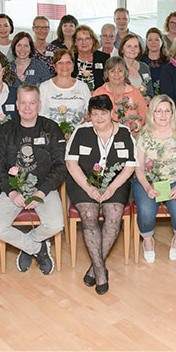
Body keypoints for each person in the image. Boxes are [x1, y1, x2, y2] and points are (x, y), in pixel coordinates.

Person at [0, 84, 66, 275]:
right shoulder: (5, 130)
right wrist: (11, 190)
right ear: (17, 104)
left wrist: (41, 192)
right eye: (23, 102)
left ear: (39, 104)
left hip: (44, 188)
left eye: (32, 103)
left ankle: (29, 244)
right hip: (13, 189)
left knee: (56, 224)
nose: (27, 107)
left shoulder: (51, 128)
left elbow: (60, 166)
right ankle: (37, 249)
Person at [65, 95, 137, 294]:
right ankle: (101, 271)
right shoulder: (81, 132)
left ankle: (93, 269)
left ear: (111, 113)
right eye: (94, 114)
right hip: (83, 182)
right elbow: (71, 164)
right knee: (89, 216)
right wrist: (89, 189)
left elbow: (130, 166)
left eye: (103, 113)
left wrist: (112, 188)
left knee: (113, 216)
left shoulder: (124, 133)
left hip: (116, 183)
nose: (98, 118)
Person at [132, 95, 176, 263]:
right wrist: (147, 187)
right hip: (148, 181)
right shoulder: (144, 134)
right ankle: (148, 241)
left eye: (167, 111)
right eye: (159, 111)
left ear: (172, 113)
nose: (163, 115)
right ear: (152, 113)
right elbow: (139, 167)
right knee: (145, 213)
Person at [38, 49, 91, 139]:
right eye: (60, 63)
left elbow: (89, 113)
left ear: (73, 65)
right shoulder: (44, 87)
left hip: (78, 136)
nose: (64, 66)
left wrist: (74, 131)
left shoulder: (83, 87)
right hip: (51, 136)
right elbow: (40, 114)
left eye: (68, 62)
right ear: (54, 66)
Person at [92, 57, 147, 136]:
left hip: (131, 137)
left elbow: (144, 114)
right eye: (112, 71)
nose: (116, 74)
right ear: (107, 73)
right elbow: (93, 116)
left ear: (125, 73)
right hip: (104, 136)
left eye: (120, 70)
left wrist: (133, 125)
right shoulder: (99, 92)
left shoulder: (134, 92)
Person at [71, 25, 110, 91]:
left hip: (98, 97)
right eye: (80, 39)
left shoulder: (104, 58)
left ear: (93, 41)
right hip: (74, 97)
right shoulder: (70, 59)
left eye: (87, 39)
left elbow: (109, 82)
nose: (84, 42)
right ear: (75, 42)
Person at [140, 27, 169, 93]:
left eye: (156, 40)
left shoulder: (168, 61)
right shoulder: (140, 61)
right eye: (150, 40)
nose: (153, 42)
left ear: (162, 41)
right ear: (146, 42)